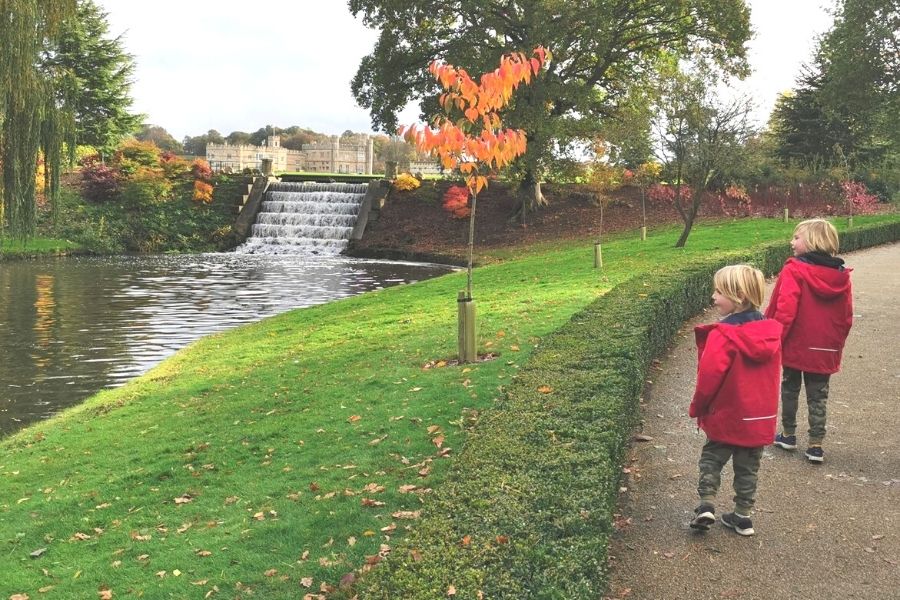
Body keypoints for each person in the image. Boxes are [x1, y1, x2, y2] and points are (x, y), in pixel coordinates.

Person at [689, 265, 782, 536]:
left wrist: (699, 406)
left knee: (711, 460)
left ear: (738, 296)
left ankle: (706, 504)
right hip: (757, 418)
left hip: (726, 414)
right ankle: (743, 516)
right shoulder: (771, 333)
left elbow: (709, 377)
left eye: (719, 291)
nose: (713, 297)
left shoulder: (723, 335)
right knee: (748, 468)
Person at [766, 218, 853, 464]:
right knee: (818, 395)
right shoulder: (841, 276)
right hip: (824, 346)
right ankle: (816, 444)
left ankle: (788, 434)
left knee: (790, 387)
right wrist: (836, 342)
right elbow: (846, 316)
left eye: (796, 237)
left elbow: (786, 309)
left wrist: (774, 338)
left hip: (796, 343)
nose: (791, 242)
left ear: (812, 241)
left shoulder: (795, 269)